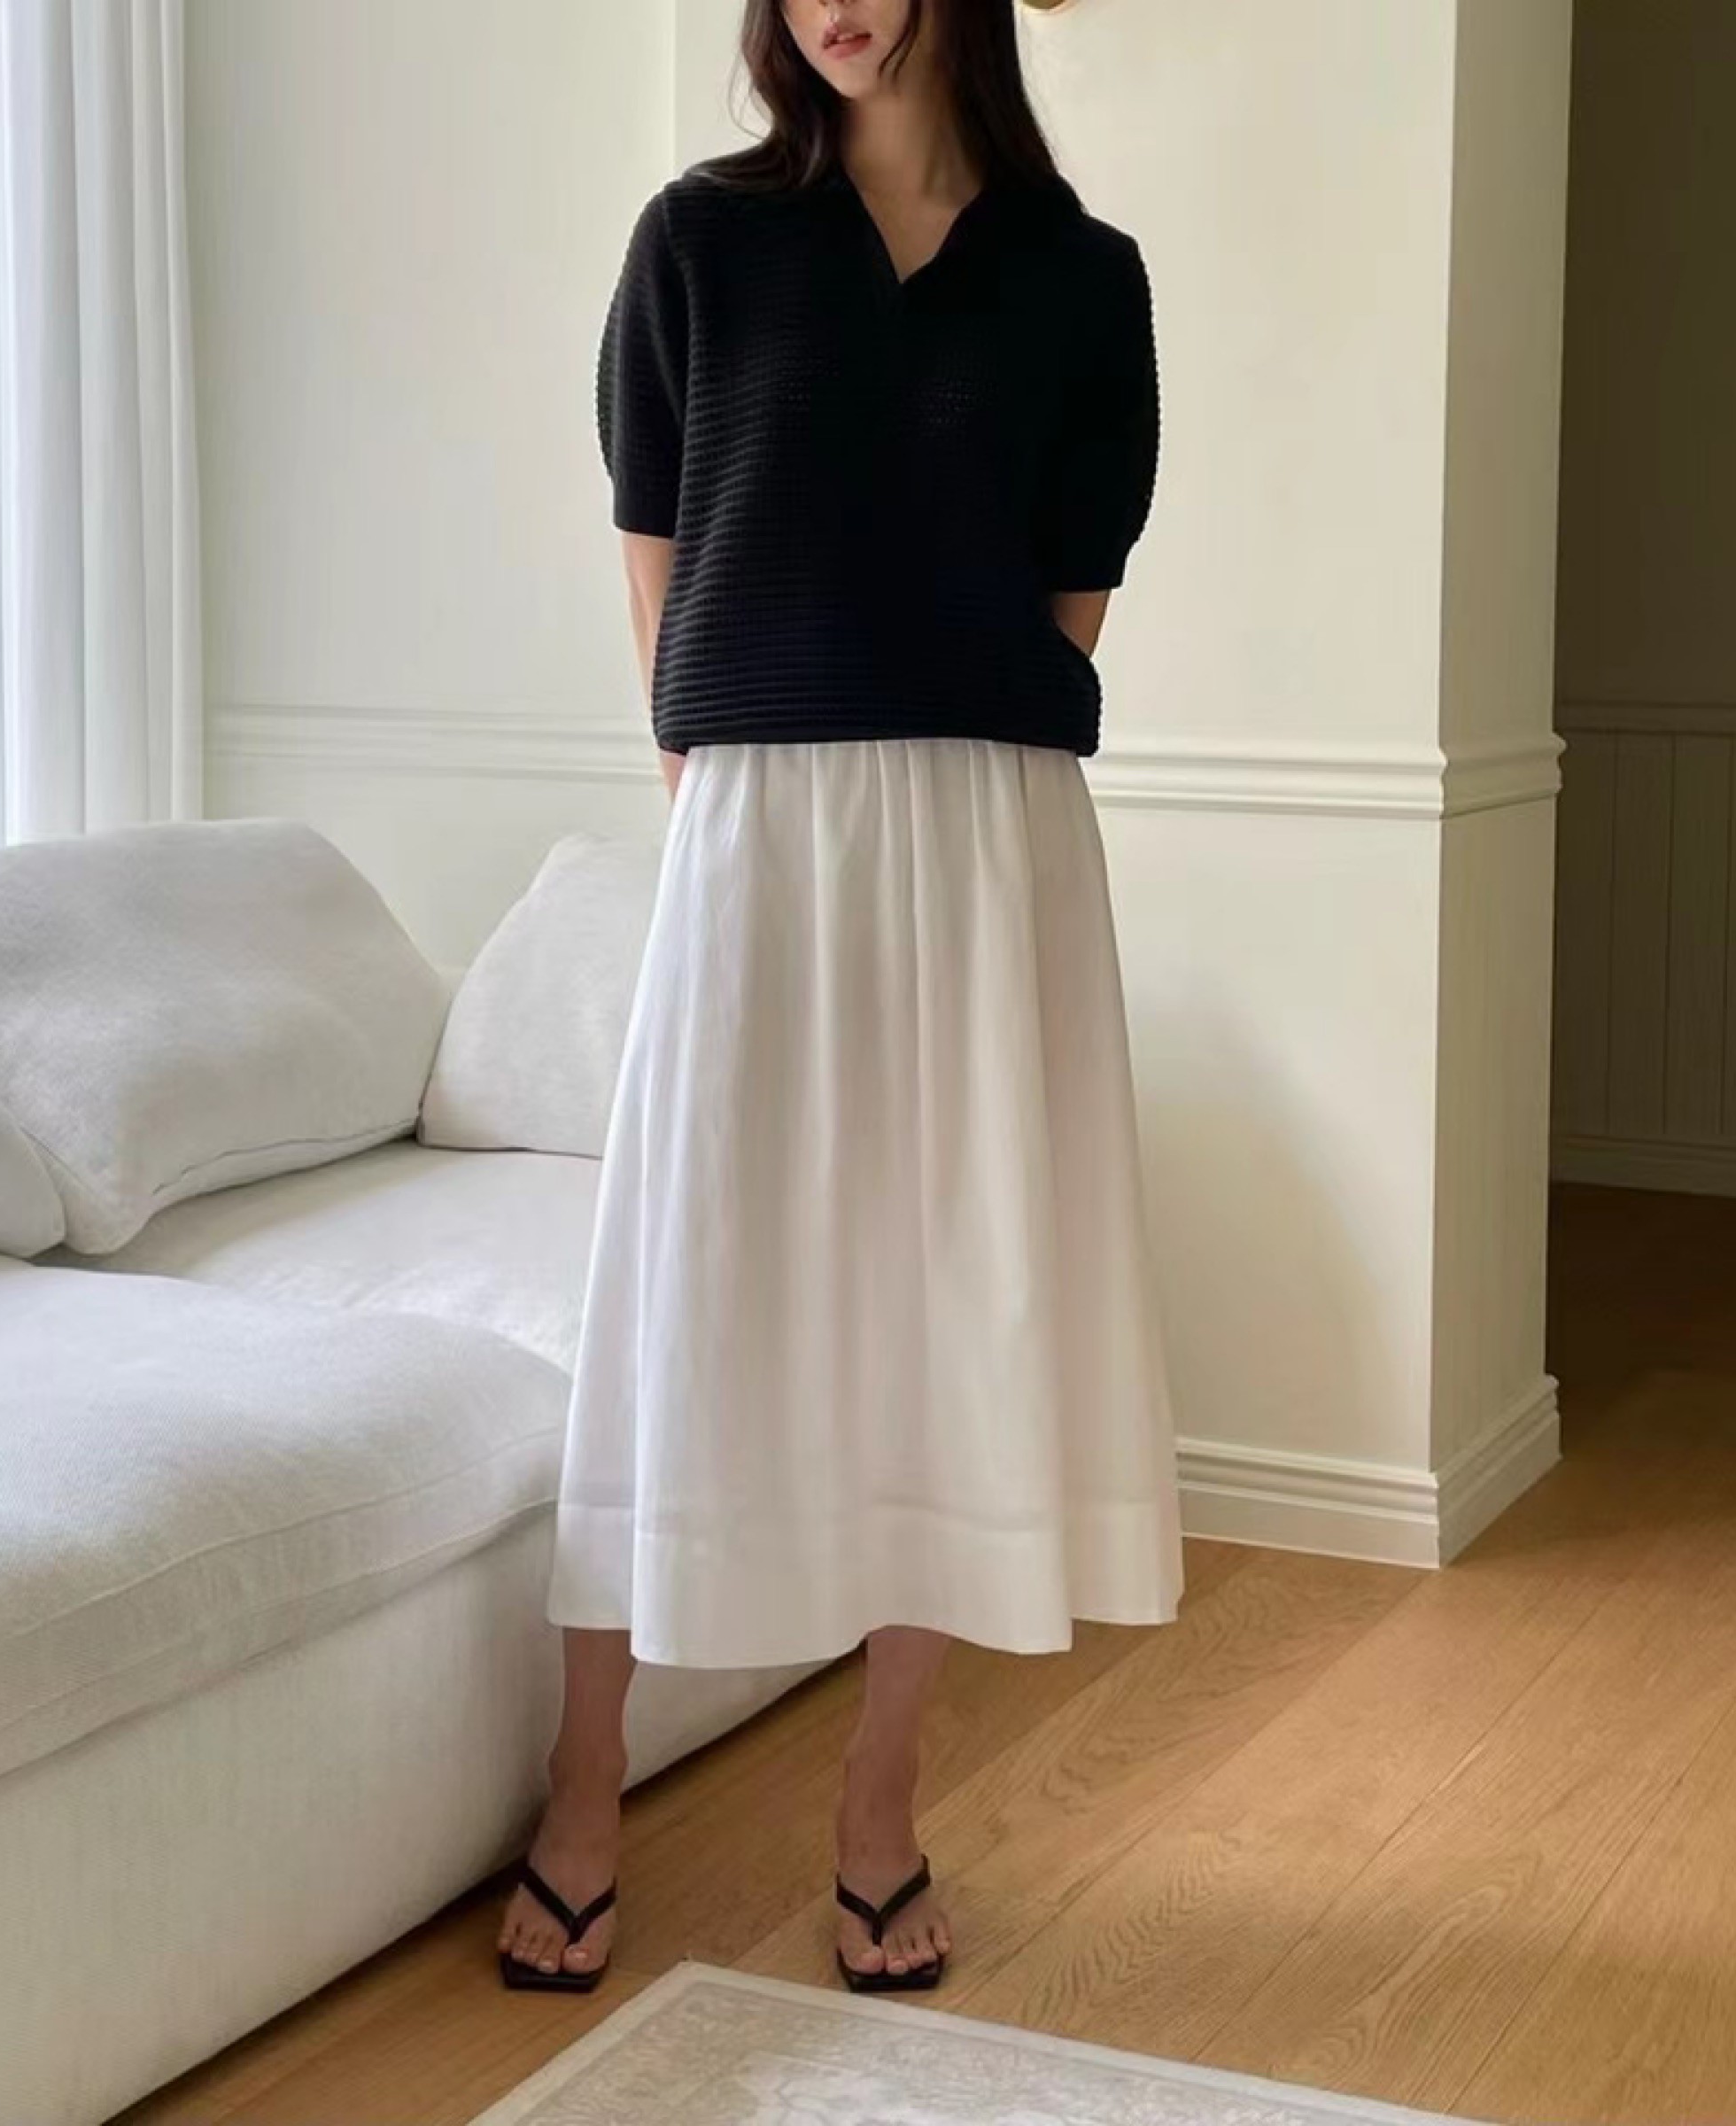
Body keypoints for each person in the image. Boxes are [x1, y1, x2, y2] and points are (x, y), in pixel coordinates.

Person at [497, 0, 1182, 1997]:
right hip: (762, 820)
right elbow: (656, 541)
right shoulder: (701, 242)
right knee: (683, 1289)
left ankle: (880, 1806)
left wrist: (940, 732)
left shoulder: (1084, 277)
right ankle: (585, 1785)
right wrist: (720, 765)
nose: (832, 1)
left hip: (987, 833)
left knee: (954, 1298)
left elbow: (1071, 590)